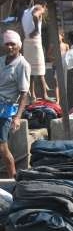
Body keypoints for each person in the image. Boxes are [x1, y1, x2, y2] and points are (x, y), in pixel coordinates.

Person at [0, 30, 30, 178]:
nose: (10, 47)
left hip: (5, 109)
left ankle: (13, 179)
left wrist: (17, 117)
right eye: (7, 44)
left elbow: (24, 93)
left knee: (2, 147)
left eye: (13, 44)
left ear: (19, 45)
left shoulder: (22, 65)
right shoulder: (1, 60)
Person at [21, 0, 51, 101]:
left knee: (30, 71)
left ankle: (32, 95)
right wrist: (36, 30)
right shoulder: (39, 7)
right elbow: (35, 15)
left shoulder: (26, 11)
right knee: (40, 70)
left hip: (27, 41)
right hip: (35, 42)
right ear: (45, 5)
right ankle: (44, 95)